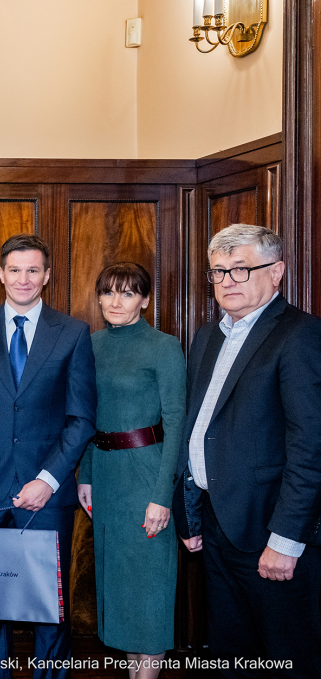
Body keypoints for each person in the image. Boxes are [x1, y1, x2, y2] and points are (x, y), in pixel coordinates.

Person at [173, 224, 321, 676]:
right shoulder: (207, 337)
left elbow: (310, 445)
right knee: (231, 654)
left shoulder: (300, 335)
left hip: (269, 530)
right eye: (218, 272)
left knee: (287, 658)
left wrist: (286, 540)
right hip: (218, 526)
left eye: (241, 269)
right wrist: (191, 513)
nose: (227, 282)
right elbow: (198, 429)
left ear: (276, 272)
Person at [0, 233, 96, 679]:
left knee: (48, 609)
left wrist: (48, 479)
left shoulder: (73, 333)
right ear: (1, 274)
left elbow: (81, 418)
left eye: (33, 270)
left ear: (47, 275)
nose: (24, 278)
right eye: (15, 270)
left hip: (46, 496)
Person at [75, 262, 185, 679]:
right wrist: (85, 474)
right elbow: (86, 416)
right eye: (108, 292)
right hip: (105, 476)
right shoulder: (91, 344)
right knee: (120, 594)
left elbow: (176, 422)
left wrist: (162, 496)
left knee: (149, 591)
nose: (115, 301)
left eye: (126, 292)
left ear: (144, 299)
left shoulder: (163, 346)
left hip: (146, 476)